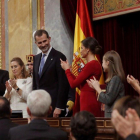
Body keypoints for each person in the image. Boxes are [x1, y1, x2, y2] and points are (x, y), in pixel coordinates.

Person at [61, 37, 102, 117]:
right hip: (87, 99)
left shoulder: (91, 65)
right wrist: (70, 71)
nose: (80, 51)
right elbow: (81, 86)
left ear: (88, 49)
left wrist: (67, 70)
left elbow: (73, 84)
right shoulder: (93, 64)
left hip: (88, 100)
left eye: (82, 48)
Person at [33, 29, 69, 117]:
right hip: (39, 106)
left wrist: (59, 107)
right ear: (36, 43)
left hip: (54, 107)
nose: (43, 44)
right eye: (40, 43)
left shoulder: (59, 56)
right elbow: (35, 83)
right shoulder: (36, 58)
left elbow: (63, 84)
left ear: (49, 39)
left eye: (45, 41)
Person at [87, 50, 125, 117]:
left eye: (102, 62)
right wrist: (96, 87)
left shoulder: (116, 79)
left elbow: (108, 99)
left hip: (114, 116)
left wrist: (98, 88)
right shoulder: (113, 78)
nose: (101, 64)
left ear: (107, 63)